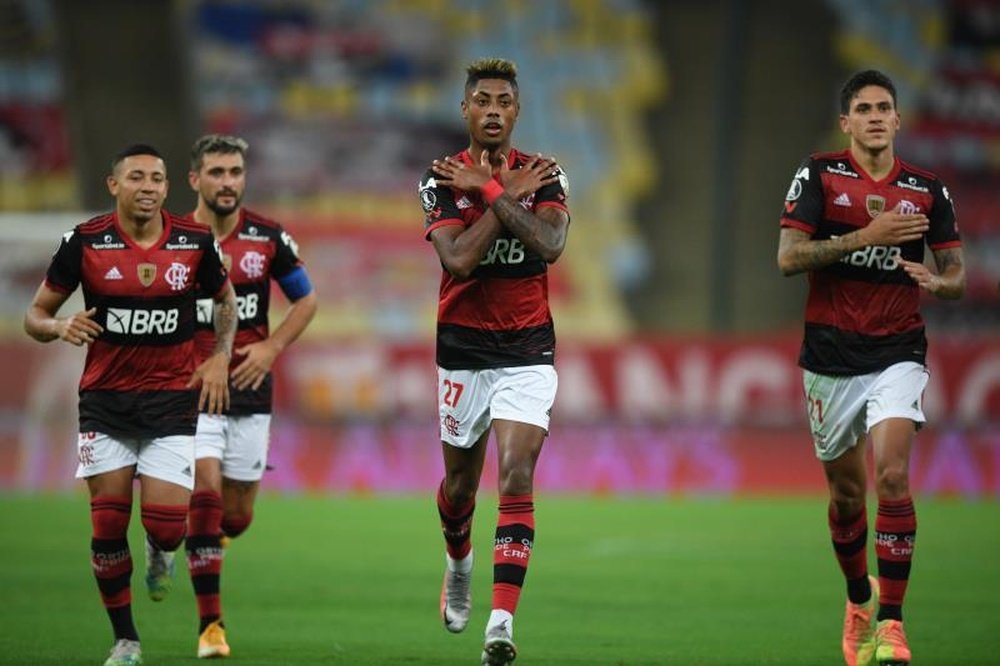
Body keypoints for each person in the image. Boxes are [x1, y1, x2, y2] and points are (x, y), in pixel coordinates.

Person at [777, 70, 965, 666]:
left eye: (886, 107)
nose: (877, 116)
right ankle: (859, 600)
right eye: (865, 108)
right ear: (847, 122)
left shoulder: (928, 189)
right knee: (848, 496)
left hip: (897, 350)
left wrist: (941, 283)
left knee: (891, 478)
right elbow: (787, 259)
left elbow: (957, 272)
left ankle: (892, 623)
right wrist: (867, 235)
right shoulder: (820, 175)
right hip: (830, 358)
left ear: (898, 119)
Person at [24, 144, 237, 666]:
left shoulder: (193, 242)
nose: (148, 186)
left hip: (170, 403)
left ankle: (159, 551)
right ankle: (126, 640)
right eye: (136, 176)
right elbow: (36, 314)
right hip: (106, 404)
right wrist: (58, 326)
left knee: (167, 526)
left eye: (157, 179)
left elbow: (226, 301)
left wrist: (219, 357)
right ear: (113, 185)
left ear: (168, 188)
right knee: (107, 523)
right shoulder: (85, 242)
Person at [418, 57, 570, 666]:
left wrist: (485, 194)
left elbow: (550, 244)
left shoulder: (549, 175)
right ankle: (459, 562)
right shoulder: (437, 178)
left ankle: (500, 624)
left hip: (528, 347)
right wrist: (503, 194)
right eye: (481, 100)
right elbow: (456, 261)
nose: (492, 110)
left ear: (516, 109)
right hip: (462, 348)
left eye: (503, 101)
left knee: (515, 473)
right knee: (459, 487)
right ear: (465, 109)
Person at [143, 134, 317, 659]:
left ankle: (177, 543)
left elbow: (305, 301)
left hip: (248, 388)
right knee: (205, 495)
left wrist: (272, 346)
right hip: (187, 388)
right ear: (194, 179)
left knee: (236, 517)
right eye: (216, 172)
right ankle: (210, 627)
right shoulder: (168, 237)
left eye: (235, 172)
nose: (227, 182)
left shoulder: (268, 237)